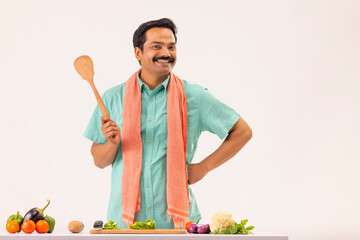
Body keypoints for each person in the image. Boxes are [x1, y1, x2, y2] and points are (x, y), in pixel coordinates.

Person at [84, 18, 252, 229]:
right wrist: (111, 144)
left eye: (171, 47)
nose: (166, 53)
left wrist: (204, 167)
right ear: (138, 53)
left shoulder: (195, 96)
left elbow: (242, 131)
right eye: (157, 46)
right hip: (124, 224)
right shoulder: (112, 98)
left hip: (178, 225)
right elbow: (99, 161)